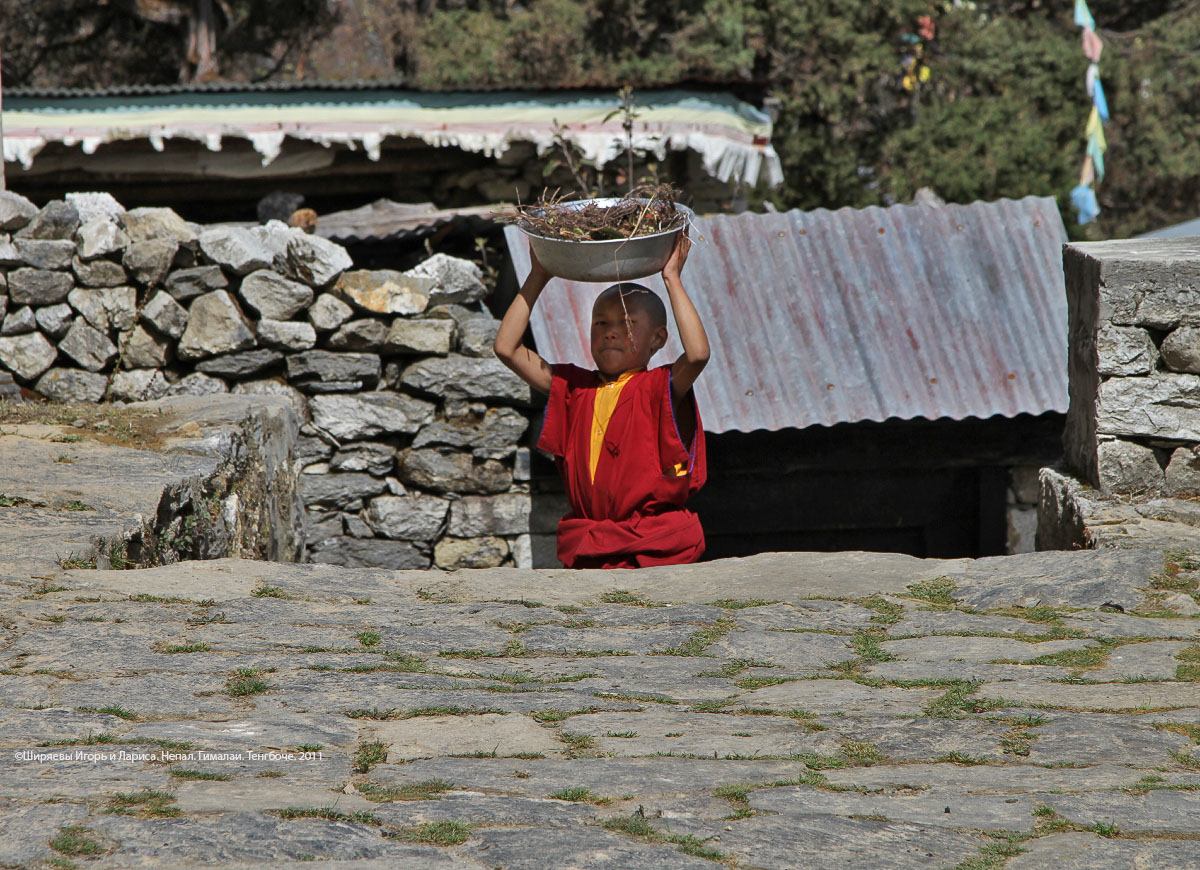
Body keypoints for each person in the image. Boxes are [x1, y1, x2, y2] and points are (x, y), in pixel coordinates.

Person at [493, 233, 710, 568]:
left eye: (627, 324)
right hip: (590, 543)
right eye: (601, 323)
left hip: (652, 542)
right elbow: (506, 348)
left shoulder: (660, 387)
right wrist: (538, 275)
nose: (611, 332)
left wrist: (672, 279)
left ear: (658, 338)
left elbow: (696, 355)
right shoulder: (573, 388)